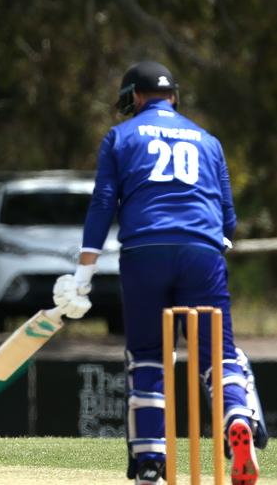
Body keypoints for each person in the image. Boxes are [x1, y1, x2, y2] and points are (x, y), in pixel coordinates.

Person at [52, 61, 267, 484]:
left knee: (149, 355)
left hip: (144, 251)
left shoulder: (121, 136)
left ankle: (151, 460)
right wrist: (208, 247)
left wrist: (83, 275)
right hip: (201, 251)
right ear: (175, 96)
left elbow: (103, 203)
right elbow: (228, 219)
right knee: (218, 354)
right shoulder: (208, 141)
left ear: (134, 97)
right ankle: (236, 418)